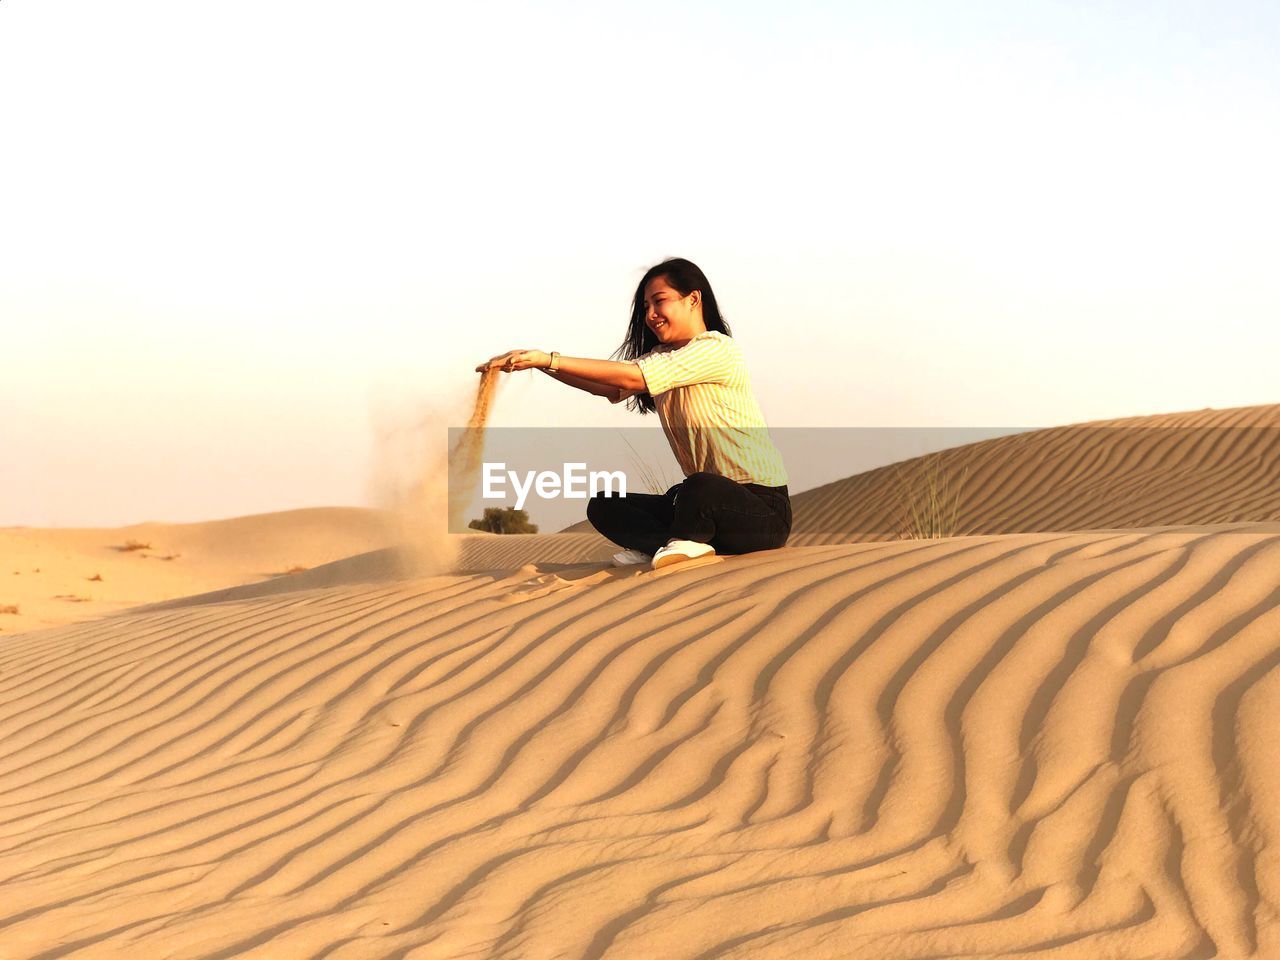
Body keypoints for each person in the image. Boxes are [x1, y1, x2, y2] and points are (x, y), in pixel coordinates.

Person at [476, 257, 791, 570]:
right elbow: (610, 388)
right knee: (604, 506)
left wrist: (550, 359)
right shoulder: (664, 357)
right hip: (702, 504)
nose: (651, 315)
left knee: (700, 487)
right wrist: (540, 364)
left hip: (761, 512)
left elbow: (631, 377)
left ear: (693, 299)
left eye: (659, 302)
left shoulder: (717, 349)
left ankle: (680, 542)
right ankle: (673, 544)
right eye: (646, 307)